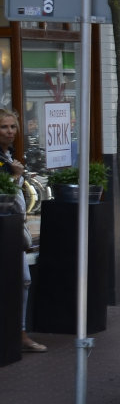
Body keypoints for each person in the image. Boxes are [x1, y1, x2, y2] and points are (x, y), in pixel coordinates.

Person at [2, 107, 44, 354]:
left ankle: (20, 333)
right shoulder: (5, 161)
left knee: (24, 280)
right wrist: (16, 176)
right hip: (5, 228)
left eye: (13, 127)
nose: (10, 131)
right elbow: (5, 193)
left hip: (13, 226)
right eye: (4, 127)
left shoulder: (9, 155)